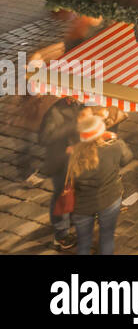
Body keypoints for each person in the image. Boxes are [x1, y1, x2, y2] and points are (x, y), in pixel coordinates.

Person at [68, 111, 132, 255]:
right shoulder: (113, 147)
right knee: (107, 238)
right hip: (109, 199)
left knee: (83, 243)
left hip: (82, 205)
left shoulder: (74, 154)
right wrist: (116, 139)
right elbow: (127, 158)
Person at [37, 96, 82, 251]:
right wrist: (70, 126)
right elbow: (43, 138)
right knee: (61, 196)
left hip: (73, 159)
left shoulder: (78, 104)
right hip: (60, 161)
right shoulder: (54, 112)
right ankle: (61, 235)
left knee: (72, 192)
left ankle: (69, 221)